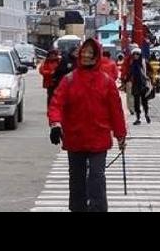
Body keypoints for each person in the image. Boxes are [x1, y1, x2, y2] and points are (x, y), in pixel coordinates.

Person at [47, 38, 126, 212]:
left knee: (96, 177)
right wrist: (55, 124)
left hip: (99, 138)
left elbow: (116, 112)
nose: (87, 55)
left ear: (96, 56)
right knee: (77, 179)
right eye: (84, 52)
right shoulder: (69, 80)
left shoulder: (106, 82)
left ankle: (98, 209)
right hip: (75, 138)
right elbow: (56, 104)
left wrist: (121, 135)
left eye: (91, 53)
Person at [129, 48, 151, 125]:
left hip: (143, 84)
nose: (136, 55)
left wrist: (148, 77)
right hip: (136, 84)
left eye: (137, 54)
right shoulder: (133, 63)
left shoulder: (143, 62)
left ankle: (146, 114)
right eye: (134, 54)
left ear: (140, 54)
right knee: (137, 102)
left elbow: (150, 71)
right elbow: (130, 74)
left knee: (144, 101)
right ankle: (138, 118)